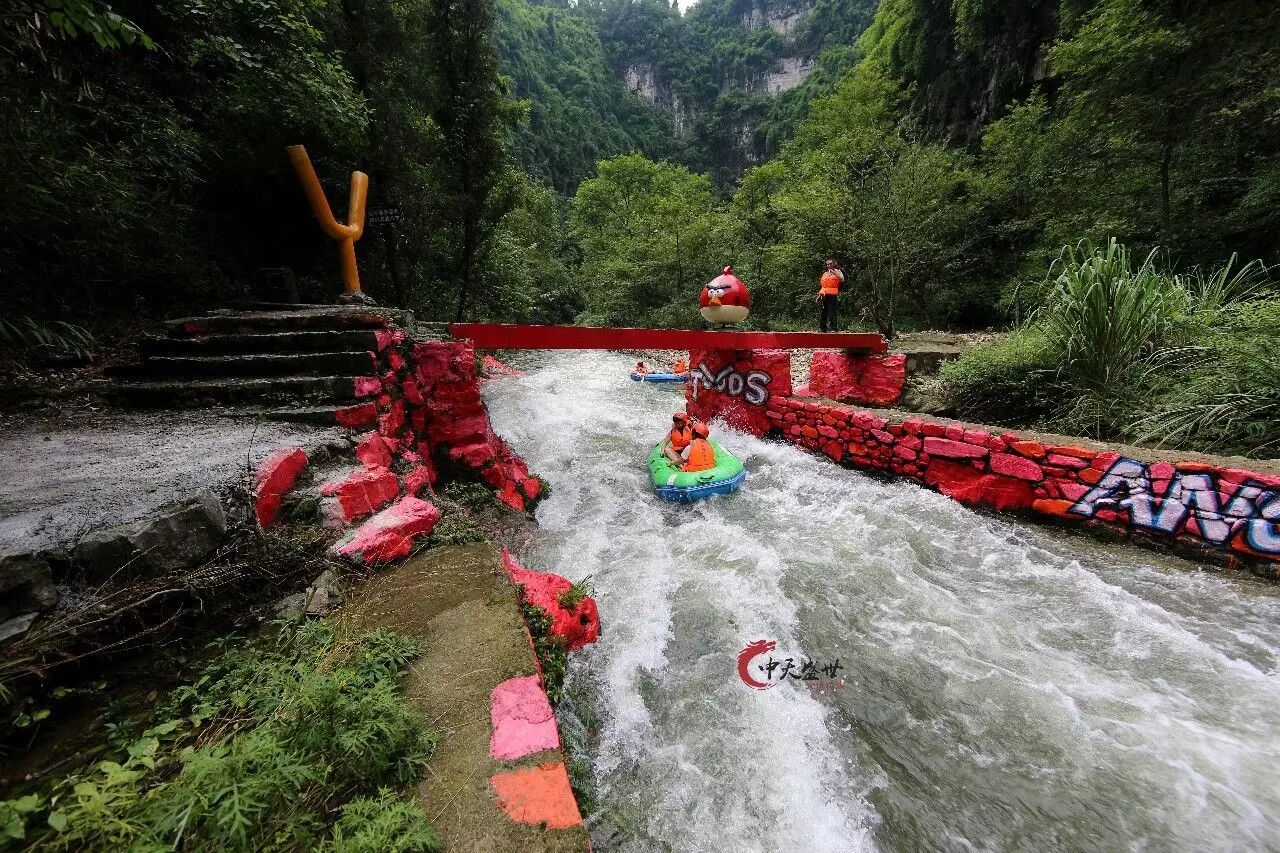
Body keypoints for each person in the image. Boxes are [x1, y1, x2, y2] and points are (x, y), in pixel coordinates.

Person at [815, 259, 844, 332]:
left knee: (832, 311)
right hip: (824, 294)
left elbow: (842, 280)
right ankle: (822, 328)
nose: (829, 265)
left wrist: (834, 272)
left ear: (833, 264)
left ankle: (833, 328)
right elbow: (823, 286)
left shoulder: (838, 271)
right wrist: (819, 295)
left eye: (830, 264)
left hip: (832, 294)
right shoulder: (825, 274)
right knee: (824, 311)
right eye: (827, 264)